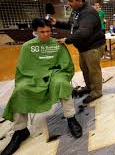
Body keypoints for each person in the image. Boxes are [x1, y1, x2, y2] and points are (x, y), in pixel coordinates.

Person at [1, 18, 82, 155]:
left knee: (61, 83)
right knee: (20, 90)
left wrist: (52, 74)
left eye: (48, 31)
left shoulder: (57, 45)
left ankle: (71, 118)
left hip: (55, 73)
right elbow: (23, 68)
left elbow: (66, 66)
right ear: (35, 32)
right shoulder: (28, 46)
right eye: (42, 31)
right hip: (33, 76)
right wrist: (37, 76)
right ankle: (20, 131)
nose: (46, 34)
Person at [51, 0, 106, 104]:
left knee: (93, 70)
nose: (68, 3)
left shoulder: (89, 12)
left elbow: (83, 32)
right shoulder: (76, 11)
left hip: (93, 46)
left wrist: (67, 40)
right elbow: (70, 25)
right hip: (84, 47)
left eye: (70, 1)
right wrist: (56, 23)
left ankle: (97, 92)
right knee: (85, 68)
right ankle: (90, 87)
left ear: (79, 0)